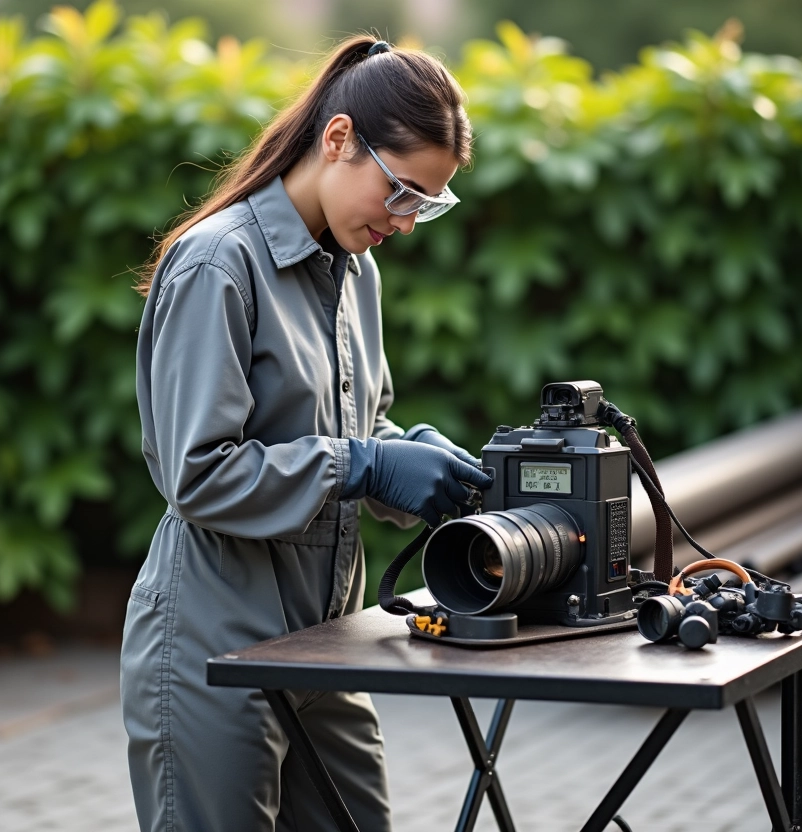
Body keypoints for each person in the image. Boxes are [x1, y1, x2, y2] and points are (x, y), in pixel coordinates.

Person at [121, 36, 492, 832]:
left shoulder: (358, 271)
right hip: (213, 649)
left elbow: (360, 429)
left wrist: (409, 453)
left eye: (427, 204)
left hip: (326, 644)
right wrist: (365, 464)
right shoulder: (218, 264)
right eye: (402, 192)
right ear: (338, 139)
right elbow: (199, 473)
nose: (407, 222)